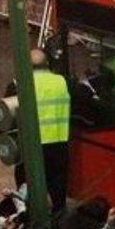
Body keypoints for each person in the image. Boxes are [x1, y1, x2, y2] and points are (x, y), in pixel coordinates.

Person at [30, 48, 71, 214]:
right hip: (59, 144)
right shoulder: (61, 81)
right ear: (47, 63)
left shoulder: (19, 84)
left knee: (32, 189)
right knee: (58, 189)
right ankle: (59, 220)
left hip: (33, 146)